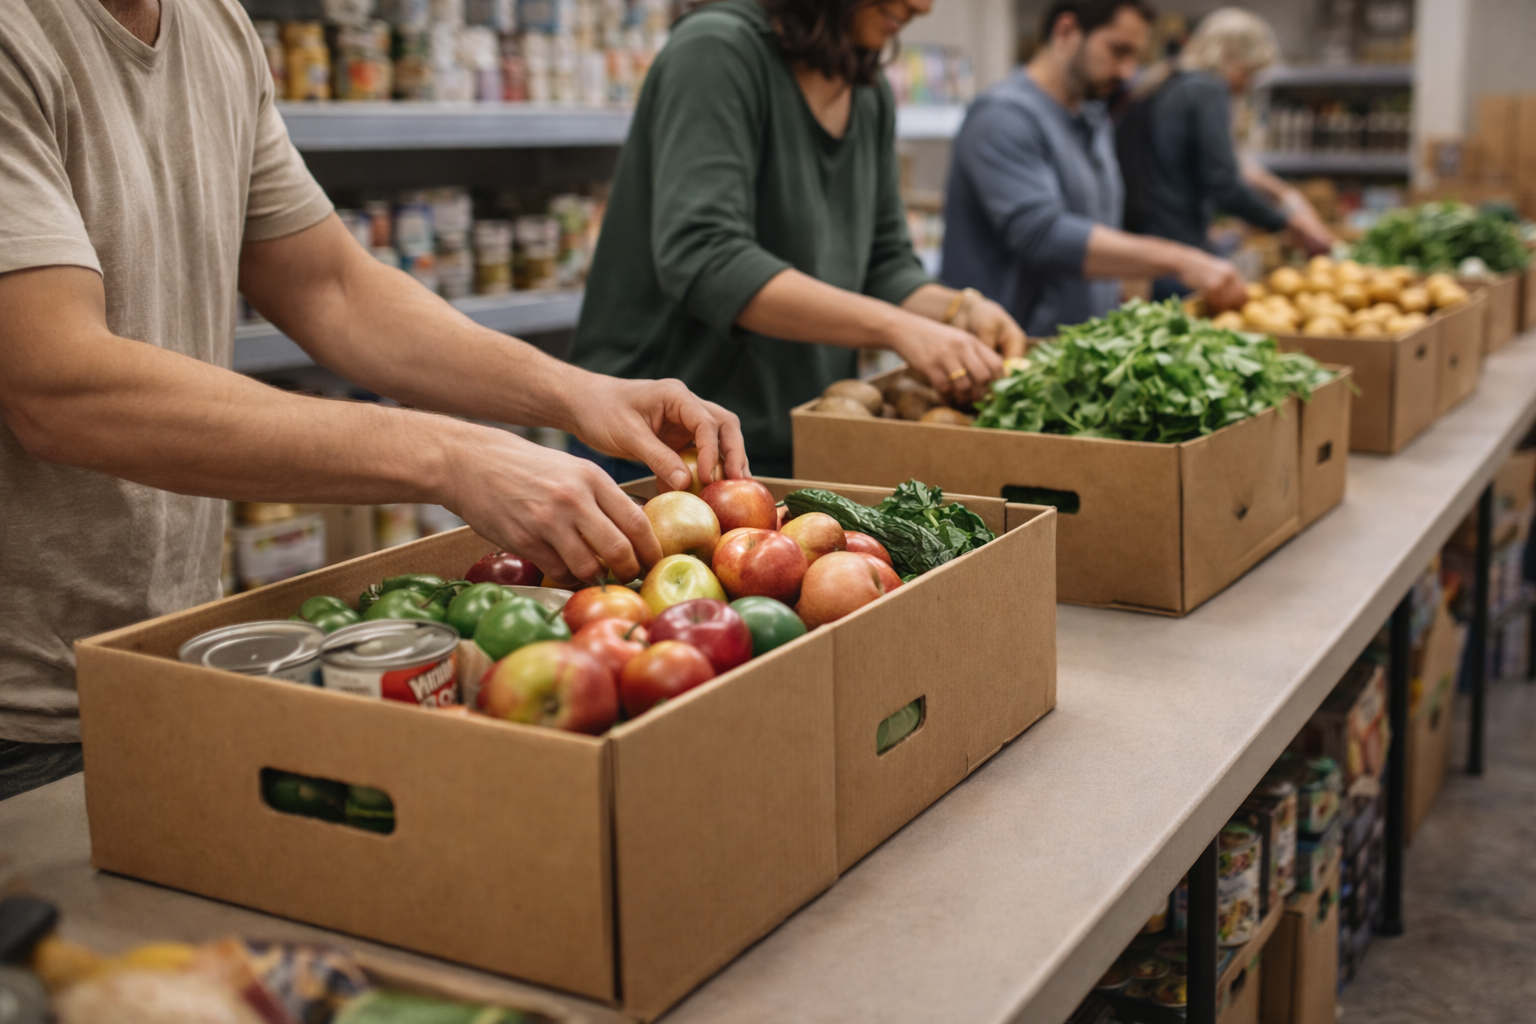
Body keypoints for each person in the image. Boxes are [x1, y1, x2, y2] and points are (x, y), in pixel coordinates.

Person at [0, 0, 747, 800]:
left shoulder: (213, 26)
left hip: (168, 654)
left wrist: (577, 392)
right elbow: (57, 385)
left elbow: (334, 289)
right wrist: (449, 454)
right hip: (19, 714)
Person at [568, 0, 1026, 479]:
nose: (922, 6)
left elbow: (884, 263)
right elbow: (705, 257)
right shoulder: (717, 51)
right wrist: (898, 328)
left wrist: (958, 310)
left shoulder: (866, 91)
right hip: (663, 448)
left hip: (799, 443)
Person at [941, 0, 1249, 337]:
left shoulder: (1090, 115)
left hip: (1074, 350)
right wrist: (1180, 260)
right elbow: (1042, 235)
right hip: (1012, 353)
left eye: (1135, 57)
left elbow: (1095, 224)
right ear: (1066, 31)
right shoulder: (1003, 117)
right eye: (1118, 51)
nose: (1127, 72)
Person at [1116, 7, 1333, 300]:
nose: (1247, 84)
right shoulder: (1208, 89)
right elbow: (1224, 184)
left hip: (1149, 245)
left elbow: (1228, 166)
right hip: (1179, 251)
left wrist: (1286, 195)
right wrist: (1287, 224)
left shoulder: (1171, 80)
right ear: (1230, 54)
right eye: (1249, 71)